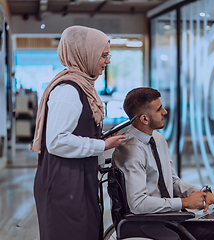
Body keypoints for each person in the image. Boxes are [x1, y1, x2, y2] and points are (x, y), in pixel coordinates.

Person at [112, 87, 214, 240]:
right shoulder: (130, 150)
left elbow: (173, 182)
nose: (165, 112)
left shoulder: (157, 139)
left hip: (169, 217)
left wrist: (203, 193)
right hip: (149, 221)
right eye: (159, 109)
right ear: (144, 118)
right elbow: (138, 204)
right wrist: (183, 203)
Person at [30, 26, 125, 240]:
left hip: (75, 181)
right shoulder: (69, 90)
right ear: (85, 54)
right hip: (65, 186)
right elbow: (56, 140)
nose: (106, 61)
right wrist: (103, 145)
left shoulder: (82, 86)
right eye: (103, 55)